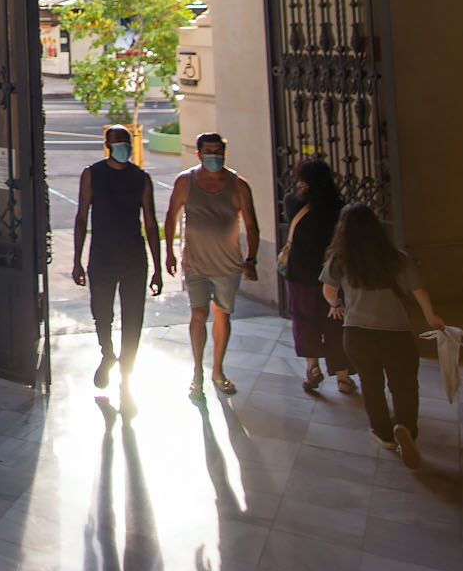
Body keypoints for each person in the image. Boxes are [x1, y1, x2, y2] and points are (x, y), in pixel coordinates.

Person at [322, 202, 447, 467]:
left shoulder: (340, 260)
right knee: (404, 385)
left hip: (357, 334)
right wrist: (431, 317)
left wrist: (336, 307)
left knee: (372, 385)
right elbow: (419, 291)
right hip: (396, 333)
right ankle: (406, 428)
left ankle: (383, 434)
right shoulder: (397, 258)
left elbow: (328, 290)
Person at [164, 132, 259, 400]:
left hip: (228, 265)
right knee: (198, 314)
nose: (214, 156)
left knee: (222, 315)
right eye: (209, 151)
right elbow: (171, 215)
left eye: (218, 151)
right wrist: (169, 253)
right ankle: (198, 372)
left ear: (224, 153)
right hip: (195, 263)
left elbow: (252, 224)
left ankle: (217, 370)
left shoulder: (239, 185)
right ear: (199, 154)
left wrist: (251, 259)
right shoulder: (185, 182)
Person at [71, 125, 162, 400]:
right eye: (117, 141)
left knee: (134, 318)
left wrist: (157, 268)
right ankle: (107, 353)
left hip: (134, 257)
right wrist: (76, 260)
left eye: (126, 140)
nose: (122, 145)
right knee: (102, 312)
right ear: (108, 144)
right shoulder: (92, 174)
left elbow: (150, 222)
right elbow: (81, 217)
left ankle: (127, 374)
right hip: (102, 255)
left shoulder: (141, 178)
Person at [279, 158, 356, 395]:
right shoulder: (339, 207)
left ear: (303, 181)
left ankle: (313, 368)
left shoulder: (294, 203)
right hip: (332, 275)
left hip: (301, 274)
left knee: (304, 320)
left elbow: (291, 207)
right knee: (336, 322)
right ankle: (343, 378)